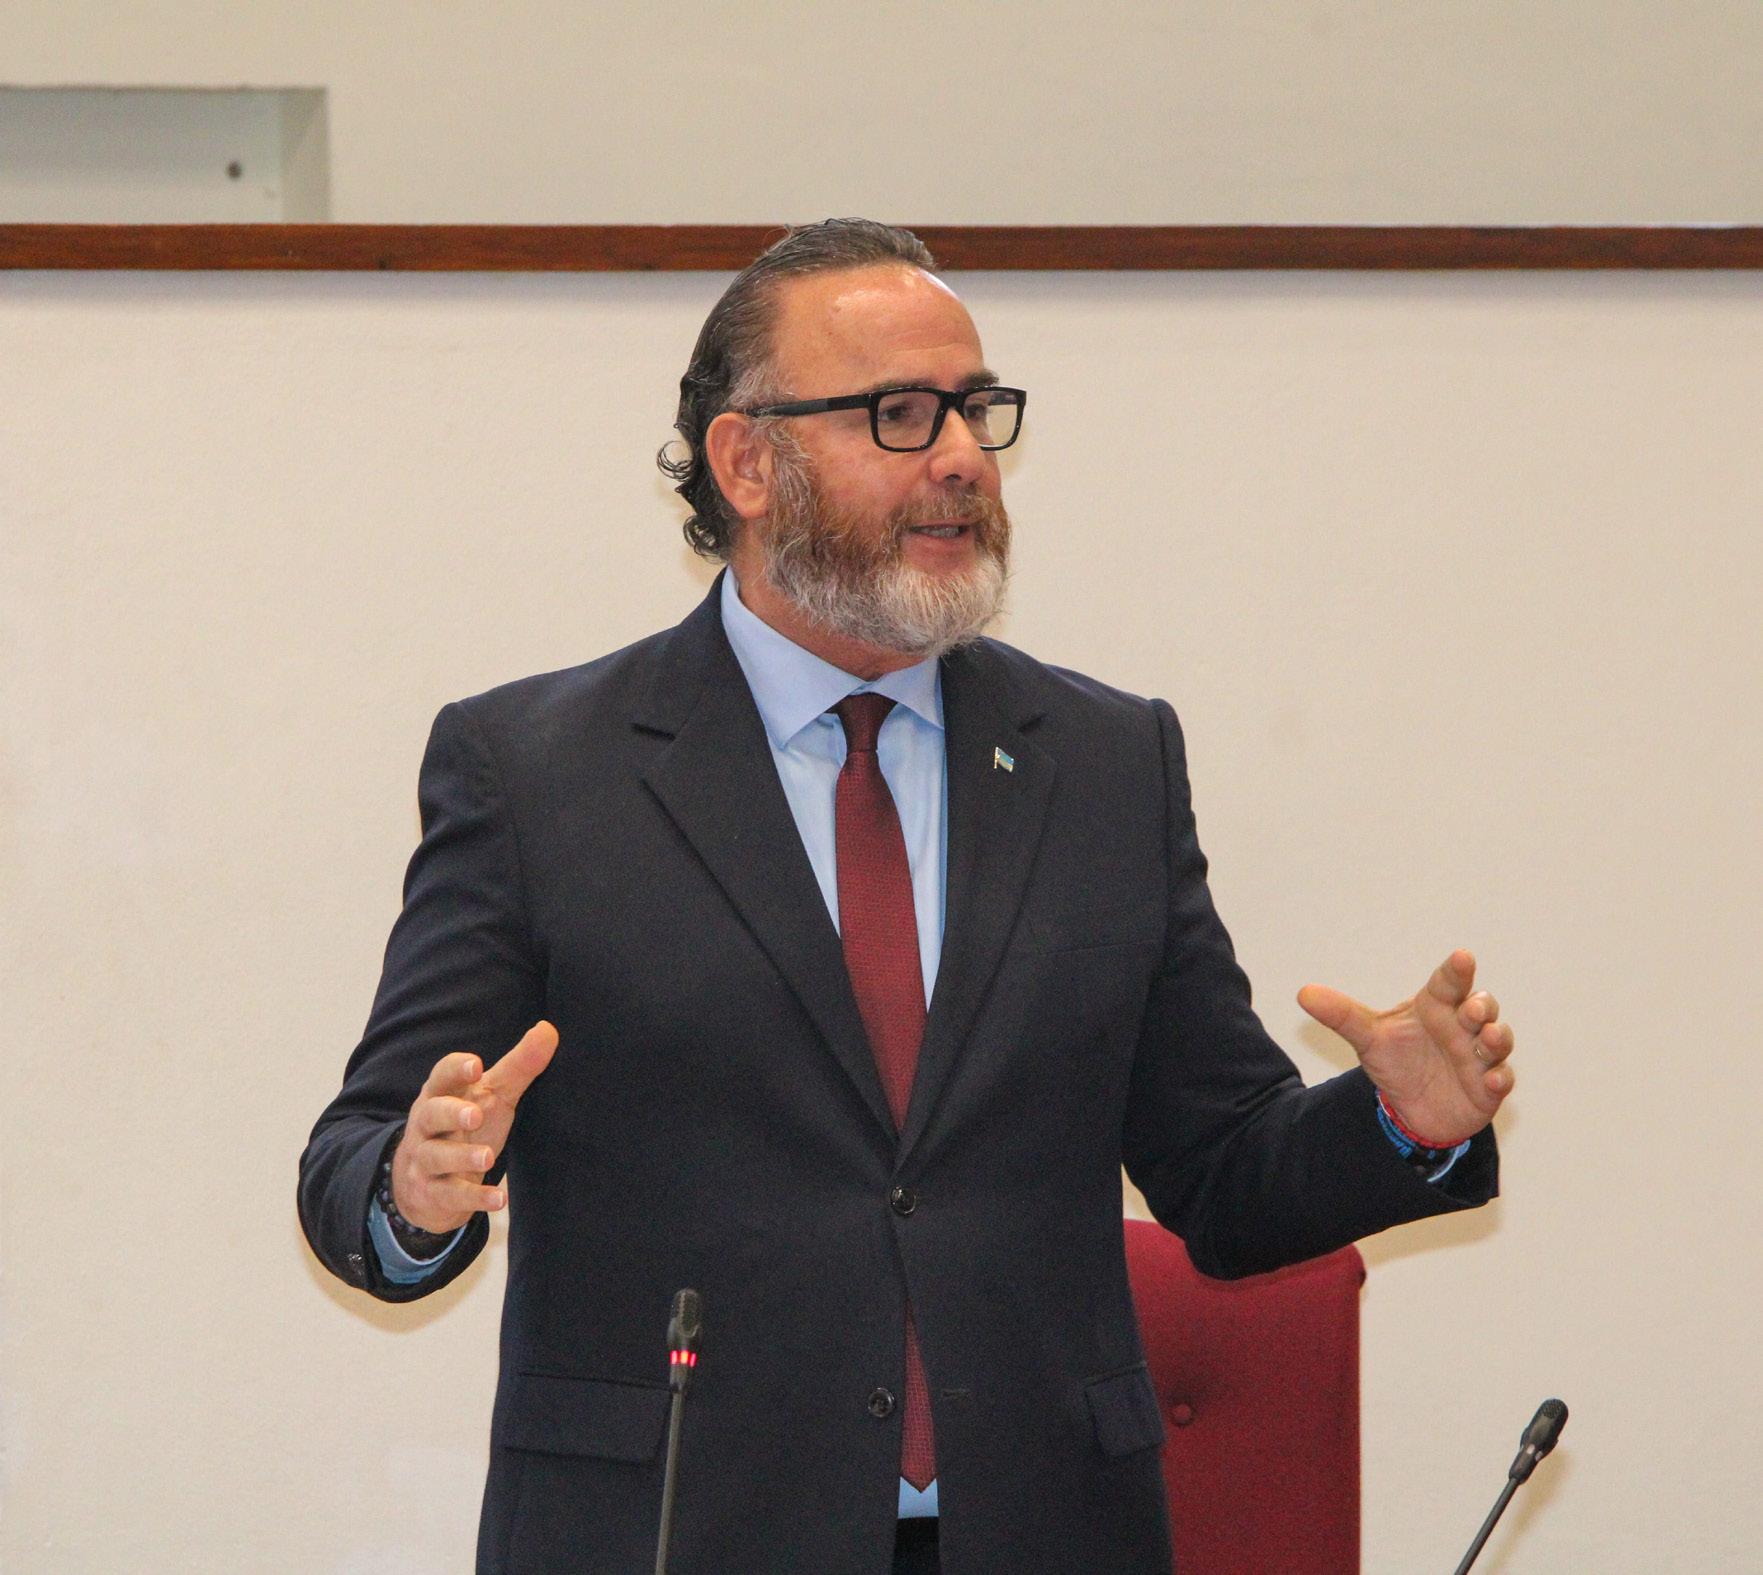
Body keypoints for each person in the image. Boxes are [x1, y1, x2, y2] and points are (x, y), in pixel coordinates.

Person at [299, 219, 1515, 1575]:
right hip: (676, 1537)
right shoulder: (539, 772)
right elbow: (354, 1156)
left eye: (975, 410)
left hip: (1041, 1536)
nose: (961, 458)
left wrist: (1401, 1126)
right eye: (899, 414)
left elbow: (1221, 1172)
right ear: (747, 464)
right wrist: (413, 1187)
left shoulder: (1105, 761)